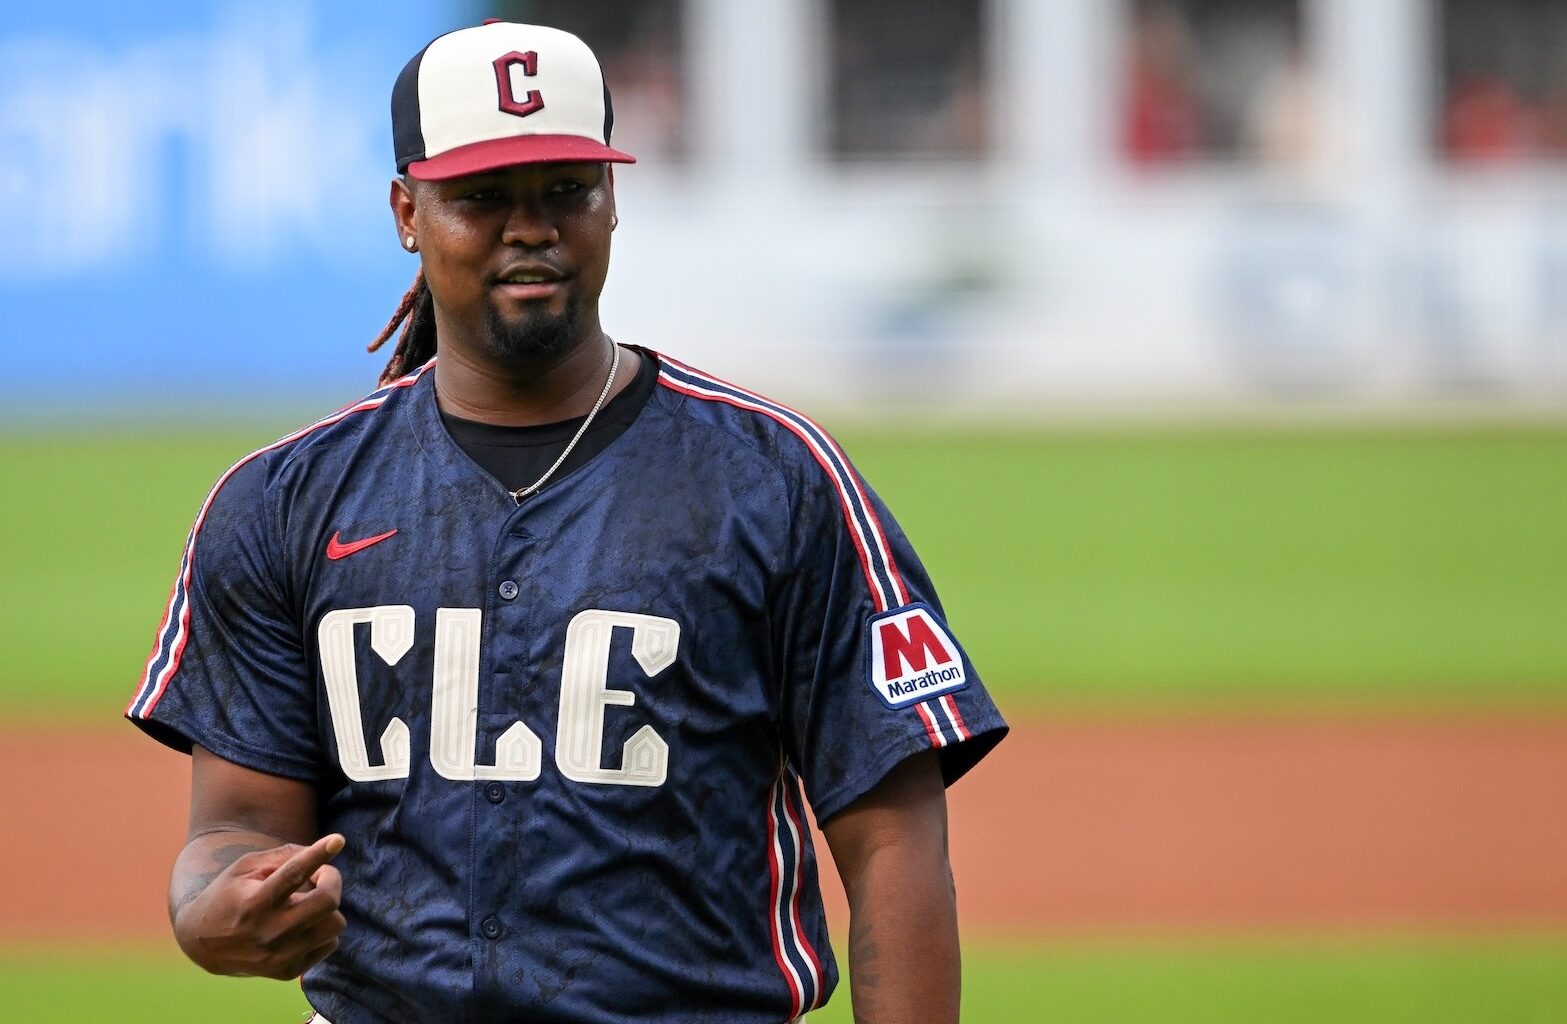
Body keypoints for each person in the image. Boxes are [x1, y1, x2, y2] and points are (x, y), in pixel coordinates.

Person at [124, 20, 1006, 1024]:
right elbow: (235, 826)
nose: (530, 227)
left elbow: (891, 839)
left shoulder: (773, 477)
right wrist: (211, 908)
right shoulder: (283, 500)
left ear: (614, 201)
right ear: (406, 212)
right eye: (483, 198)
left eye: (565, 189)